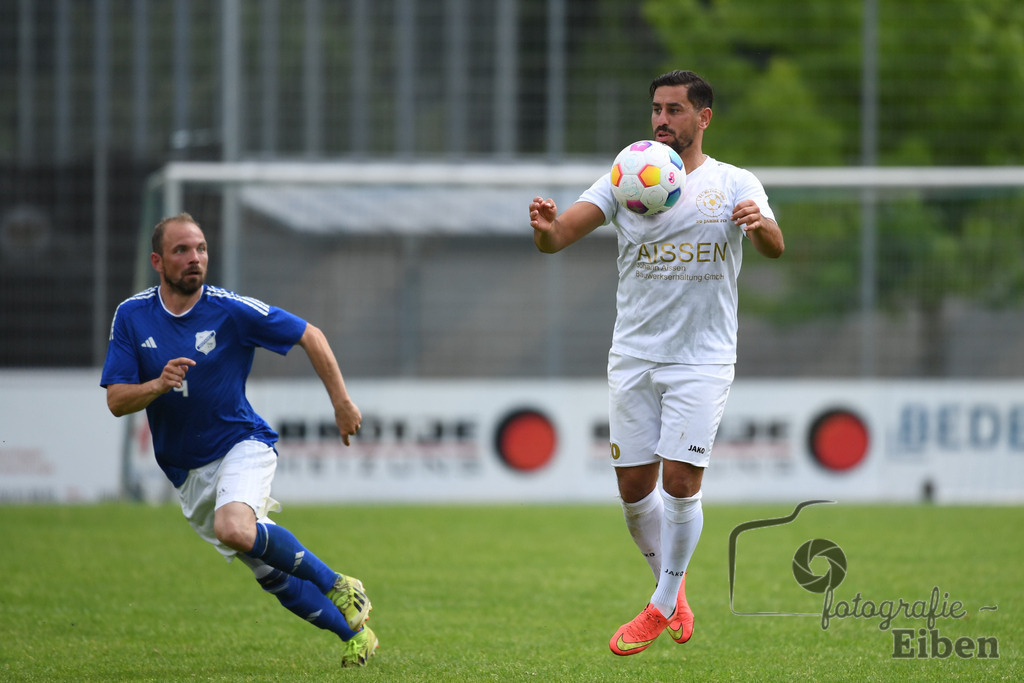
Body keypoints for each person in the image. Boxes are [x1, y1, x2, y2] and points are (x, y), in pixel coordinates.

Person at [529, 70, 784, 656]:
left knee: (681, 482)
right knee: (634, 490)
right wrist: (544, 229)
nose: (662, 120)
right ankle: (674, 590)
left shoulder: (734, 182)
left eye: (674, 109)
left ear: (703, 117)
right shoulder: (627, 175)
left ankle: (662, 602)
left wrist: (759, 224)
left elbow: (774, 245)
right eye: (656, 109)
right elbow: (559, 237)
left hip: (702, 358)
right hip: (634, 356)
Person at [100, 213, 378, 668]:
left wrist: (342, 403)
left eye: (201, 248)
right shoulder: (132, 315)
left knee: (235, 529)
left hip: (241, 443)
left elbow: (310, 335)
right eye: (181, 250)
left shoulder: (229, 309)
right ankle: (357, 635)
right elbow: (116, 401)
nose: (195, 258)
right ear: (157, 261)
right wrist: (157, 385)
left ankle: (338, 584)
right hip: (186, 472)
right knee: (272, 575)